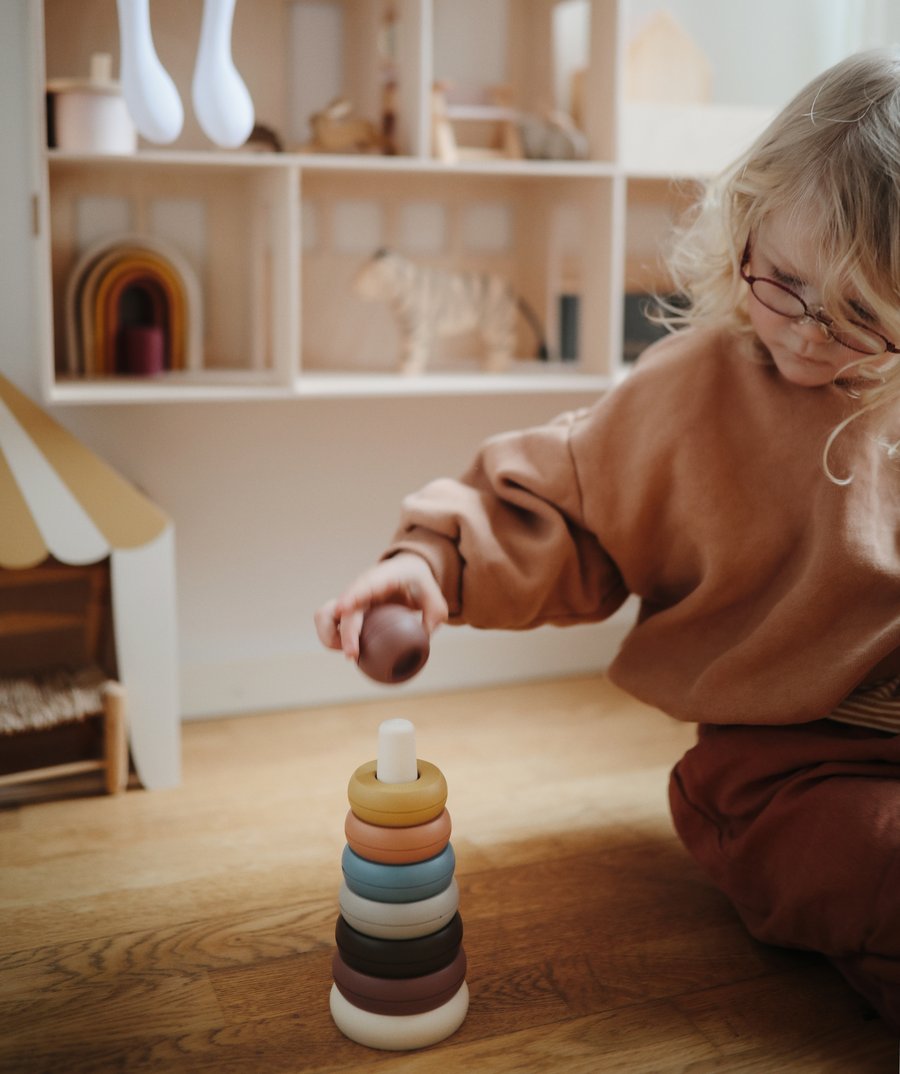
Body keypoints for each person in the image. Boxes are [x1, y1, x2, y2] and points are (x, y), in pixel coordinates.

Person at [315, 49, 900, 1031]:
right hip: (787, 766)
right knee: (877, 863)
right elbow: (558, 502)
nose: (804, 334)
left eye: (858, 318)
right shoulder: (693, 388)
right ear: (747, 224)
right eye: (785, 282)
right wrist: (427, 563)